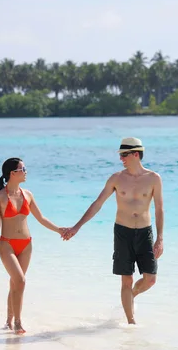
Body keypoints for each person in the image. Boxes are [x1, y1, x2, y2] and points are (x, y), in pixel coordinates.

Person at [62, 137, 164, 325]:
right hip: (123, 232)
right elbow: (97, 204)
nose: (121, 159)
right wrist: (77, 227)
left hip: (145, 233)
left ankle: (131, 296)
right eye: (120, 155)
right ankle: (131, 323)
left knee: (150, 280)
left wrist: (160, 239)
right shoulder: (117, 178)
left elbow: (159, 208)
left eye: (124, 155)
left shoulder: (153, 179)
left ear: (136, 154)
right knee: (126, 279)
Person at [0, 157, 66, 334]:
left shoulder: (28, 195)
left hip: (26, 245)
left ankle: (8, 320)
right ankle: (17, 321)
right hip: (6, 244)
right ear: (12, 173)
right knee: (20, 281)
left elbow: (41, 218)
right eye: (22, 169)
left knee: (15, 283)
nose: (25, 172)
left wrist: (59, 230)